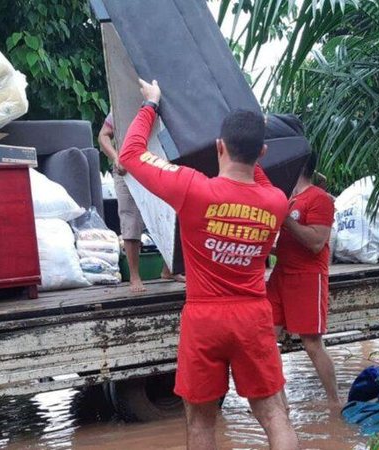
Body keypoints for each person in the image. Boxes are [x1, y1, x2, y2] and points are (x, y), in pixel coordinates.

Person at [118, 79, 298, 450]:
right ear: (262, 152)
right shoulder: (277, 202)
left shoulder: (193, 188)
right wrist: (254, 142)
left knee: (200, 421)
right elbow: (256, 177)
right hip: (253, 318)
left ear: (219, 147)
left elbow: (130, 154)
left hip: (204, 320)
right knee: (274, 415)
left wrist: (151, 104)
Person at [267, 151, 339, 406]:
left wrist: (286, 219)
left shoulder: (320, 199)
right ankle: (280, 404)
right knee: (265, 339)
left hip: (307, 278)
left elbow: (317, 243)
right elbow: (286, 244)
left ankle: (334, 403)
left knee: (311, 344)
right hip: (280, 276)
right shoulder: (290, 198)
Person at [98, 113, 184, 292]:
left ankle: (170, 269)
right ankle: (135, 276)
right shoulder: (121, 105)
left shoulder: (164, 106)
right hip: (126, 168)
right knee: (131, 219)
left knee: (170, 214)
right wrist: (116, 157)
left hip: (157, 164)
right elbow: (103, 135)